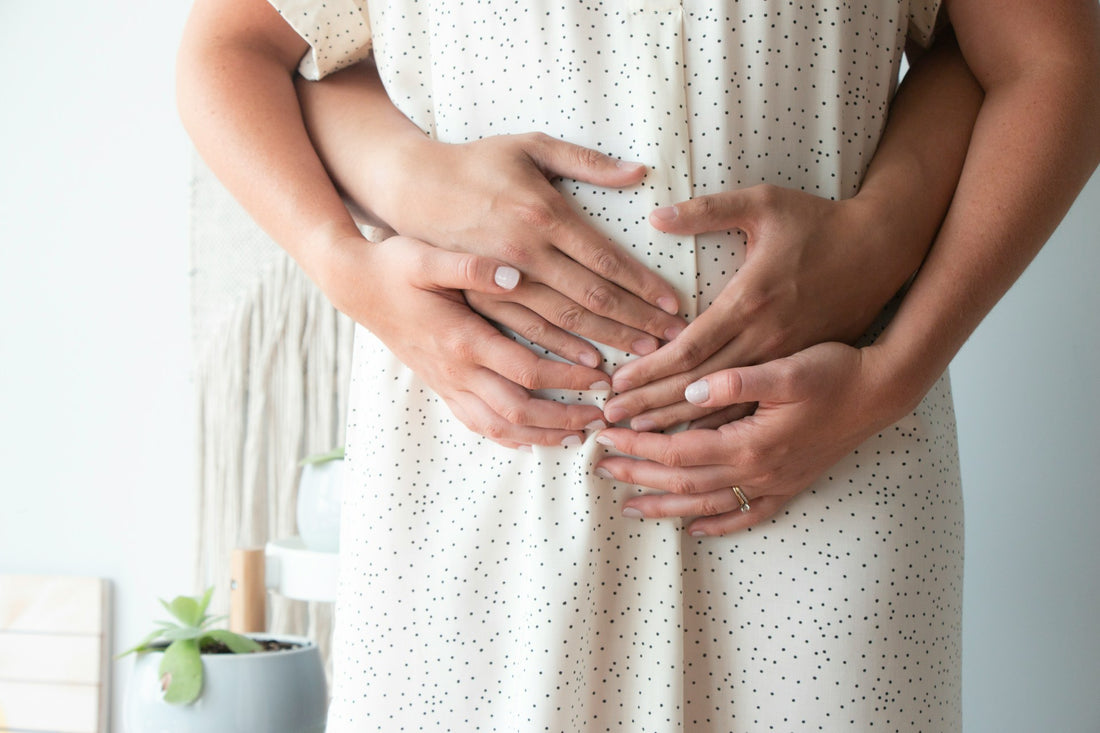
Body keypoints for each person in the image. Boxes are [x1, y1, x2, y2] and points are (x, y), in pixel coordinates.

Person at [175, 1, 1099, 730]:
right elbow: (235, 46)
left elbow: (1049, 58)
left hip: (822, 469)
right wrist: (349, 267)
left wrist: (892, 368)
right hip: (480, 484)